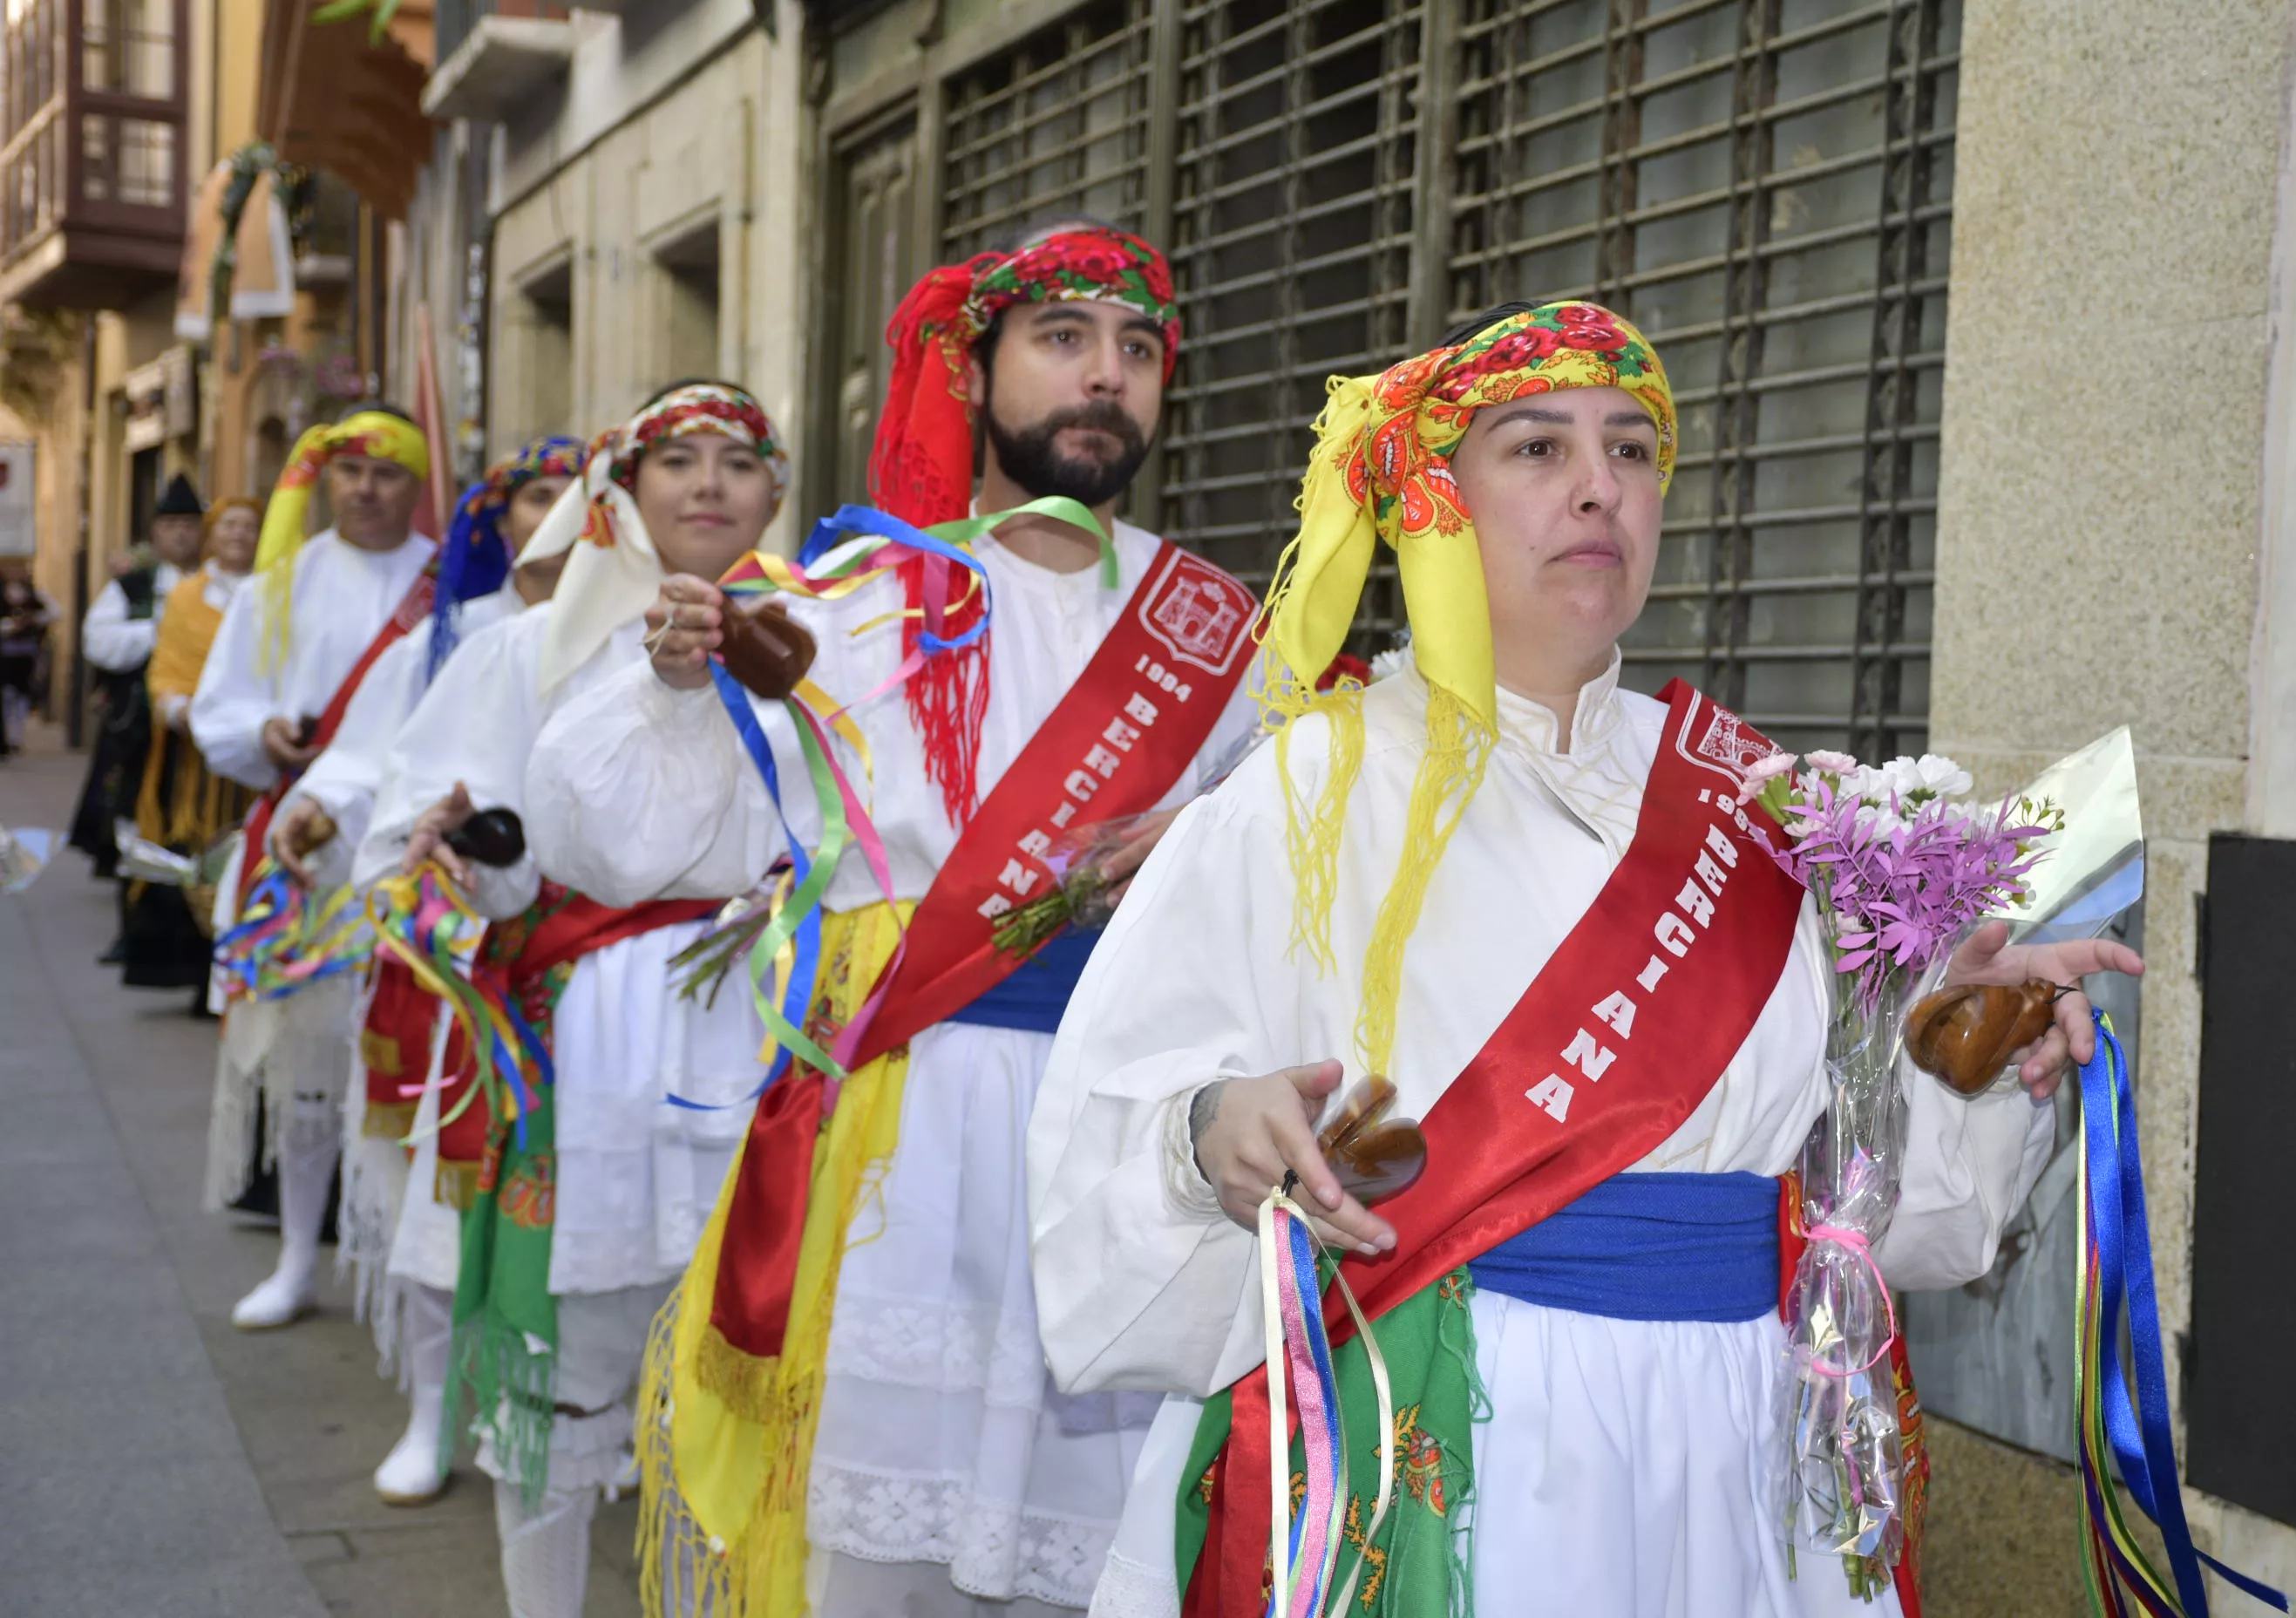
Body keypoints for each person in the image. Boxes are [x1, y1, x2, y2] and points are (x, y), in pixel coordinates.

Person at [1024, 301, 2144, 1618]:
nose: (1599, 488)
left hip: (1733, 1440)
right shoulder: (1308, 792)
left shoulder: (1760, 808)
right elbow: (1113, 1135)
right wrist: (1214, 1131)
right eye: (1538, 450)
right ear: (1435, 498)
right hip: (1467, 1429)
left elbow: (1862, 1212)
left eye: (1630, 450)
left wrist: (1961, 1060)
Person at [523, 221, 1262, 1618]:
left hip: (1127, 1146)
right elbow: (619, 838)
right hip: (907, 1152)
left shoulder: (1226, 637)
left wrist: (1214, 836)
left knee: (1092, 1560)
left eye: (1139, 349)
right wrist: (676, 684)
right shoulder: (850, 605)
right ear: (971, 377)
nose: (1108, 376)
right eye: (1063, 341)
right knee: (876, 1562)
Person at [355, 384, 786, 1617]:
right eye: (680, 458)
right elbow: (420, 840)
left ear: (775, 491)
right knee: (569, 1364)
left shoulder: (834, 638)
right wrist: (474, 856)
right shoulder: (523, 649)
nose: (711, 482)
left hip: (771, 1030)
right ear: (625, 488)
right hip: (585, 1044)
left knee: (733, 1368)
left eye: (742, 461)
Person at [259, 438, 580, 1505]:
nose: (564, 510)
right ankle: (432, 1406)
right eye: (542, 491)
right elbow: (365, 768)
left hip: (591, 970)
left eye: (585, 492)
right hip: (455, 967)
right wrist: (332, 813)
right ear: (500, 515)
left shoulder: (645, 636)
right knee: (433, 1204)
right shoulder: (448, 640)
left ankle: (579, 1414)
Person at [191, 404, 436, 1331]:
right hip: (307, 847)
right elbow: (223, 702)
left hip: (417, 853)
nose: (367, 489)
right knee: (305, 1067)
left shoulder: (449, 583)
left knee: (404, 1063)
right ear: (326, 480)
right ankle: (298, 1256)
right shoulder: (279, 585)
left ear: (418, 485)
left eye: (388, 473)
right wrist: (260, 731)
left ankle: (400, 1269)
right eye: (352, 472)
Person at [123, 496, 264, 996]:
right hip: (196, 757)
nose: (239, 535)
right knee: (197, 851)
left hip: (256, 754)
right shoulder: (185, 598)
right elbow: (165, 666)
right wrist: (180, 707)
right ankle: (193, 970)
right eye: (229, 525)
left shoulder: (274, 596)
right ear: (212, 533)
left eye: (250, 527)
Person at [71, 473, 207, 943]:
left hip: (197, 733)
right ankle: (135, 928)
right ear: (157, 532)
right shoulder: (133, 587)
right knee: (134, 823)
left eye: (191, 524)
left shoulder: (218, 584)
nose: (182, 534)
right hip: (139, 731)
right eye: (172, 525)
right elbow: (99, 643)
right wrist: (162, 629)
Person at [0, 558, 57, 756]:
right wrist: (9, 626)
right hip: (5, 654)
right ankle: (8, 737)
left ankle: (15, 737)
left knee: (22, 695)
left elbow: (54, 612)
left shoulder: (35, 594)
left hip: (26, 654)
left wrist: (32, 620)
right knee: (7, 696)